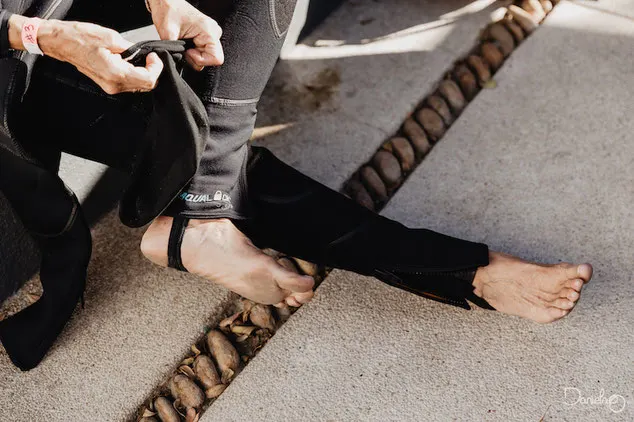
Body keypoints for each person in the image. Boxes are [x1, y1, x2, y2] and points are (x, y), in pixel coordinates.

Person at [0, 0, 592, 367]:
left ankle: (200, 213)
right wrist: (38, 36)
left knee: (206, 152)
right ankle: (465, 271)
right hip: (14, 58)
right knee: (193, 142)